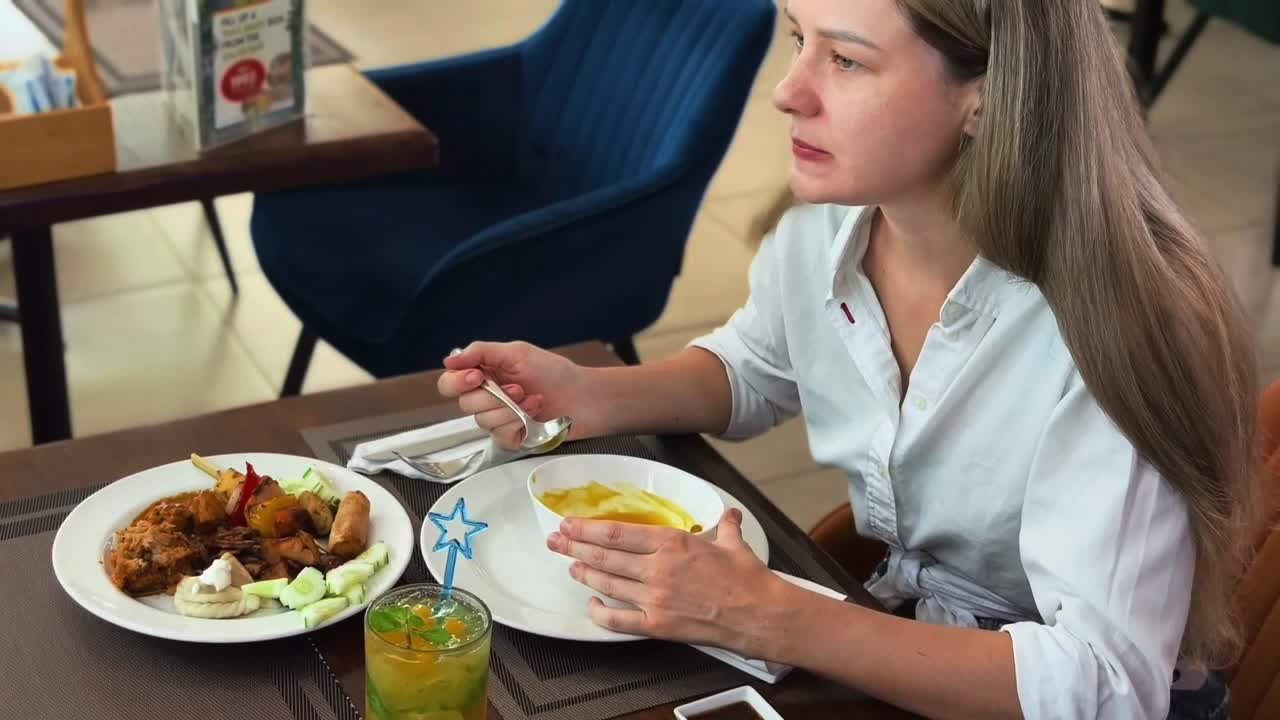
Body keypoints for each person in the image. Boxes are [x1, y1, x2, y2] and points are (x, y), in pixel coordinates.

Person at [437, 2, 1263, 718]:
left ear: (985, 94)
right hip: (897, 633)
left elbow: (1105, 688)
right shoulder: (825, 235)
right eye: (798, 38)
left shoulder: (1114, 324)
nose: (787, 92)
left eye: (844, 58)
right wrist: (588, 394)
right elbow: (755, 368)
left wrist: (768, 616)